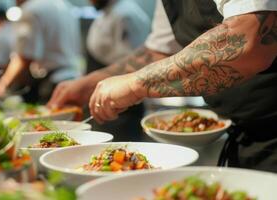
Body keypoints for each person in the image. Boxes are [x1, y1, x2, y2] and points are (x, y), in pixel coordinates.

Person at [48, 0, 277, 172]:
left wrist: (135, 85)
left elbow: (249, 40)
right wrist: (88, 85)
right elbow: (158, 52)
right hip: (246, 137)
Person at [84, 0, 151, 141]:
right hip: (105, 98)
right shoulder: (107, 13)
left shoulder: (126, 14)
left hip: (122, 106)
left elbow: (139, 62)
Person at [0, 0, 82, 102]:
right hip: (73, 78)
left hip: (52, 84)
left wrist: (3, 84)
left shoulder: (31, 9)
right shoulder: (65, 5)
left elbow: (25, 58)